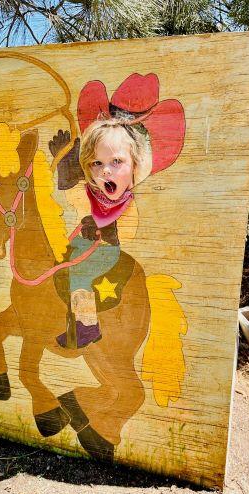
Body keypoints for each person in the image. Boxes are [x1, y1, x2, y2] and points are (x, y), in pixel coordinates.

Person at [56, 117, 152, 349]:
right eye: (96, 163)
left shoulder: (127, 199)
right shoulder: (93, 192)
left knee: (80, 273)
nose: (106, 171)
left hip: (106, 251)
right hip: (81, 245)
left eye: (116, 161)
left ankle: (87, 326)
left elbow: (128, 227)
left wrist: (103, 228)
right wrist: (64, 165)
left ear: (135, 165)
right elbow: (70, 195)